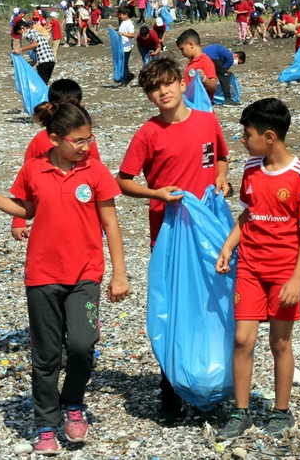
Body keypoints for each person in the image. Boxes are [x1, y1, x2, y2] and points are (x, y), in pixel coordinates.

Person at [0, 102, 129, 455]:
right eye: (78, 140)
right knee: (46, 356)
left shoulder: (96, 171)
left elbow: (111, 224)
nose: (85, 146)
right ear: (54, 139)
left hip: (85, 275)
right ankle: (45, 423)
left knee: (83, 345)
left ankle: (73, 402)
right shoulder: (33, 169)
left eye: (89, 138)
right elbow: (25, 209)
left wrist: (119, 273)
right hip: (42, 276)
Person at [118, 56, 229, 419]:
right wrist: (156, 194)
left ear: (183, 84)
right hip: (168, 236)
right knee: (174, 310)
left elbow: (222, 158)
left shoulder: (207, 121)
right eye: (154, 88)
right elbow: (123, 181)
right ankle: (171, 391)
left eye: (167, 83)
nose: (162, 92)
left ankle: (210, 383)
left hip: (208, 233)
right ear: (148, 96)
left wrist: (221, 178)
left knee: (211, 306)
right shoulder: (148, 133)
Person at [215, 98, 300, 439]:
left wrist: (297, 278)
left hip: (284, 273)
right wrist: (229, 246)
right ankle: (241, 412)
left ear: (270, 136)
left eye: (247, 135)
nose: (243, 141)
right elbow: (248, 214)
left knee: (280, 342)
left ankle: (281, 411)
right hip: (249, 268)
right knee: (242, 339)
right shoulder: (250, 169)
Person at [11, 79, 102, 241]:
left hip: (82, 217)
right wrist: (19, 220)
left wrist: (102, 219)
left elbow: (98, 179)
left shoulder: (86, 141)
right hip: (48, 218)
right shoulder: (41, 140)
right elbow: (26, 184)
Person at [176, 28, 218, 98]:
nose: (182, 53)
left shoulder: (205, 62)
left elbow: (214, 87)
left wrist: (204, 78)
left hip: (200, 103)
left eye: (182, 49)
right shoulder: (192, 62)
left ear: (191, 44)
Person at [17, 17, 56, 84]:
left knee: (42, 84)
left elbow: (34, 44)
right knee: (44, 83)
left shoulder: (29, 33)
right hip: (51, 60)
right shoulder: (36, 32)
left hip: (44, 62)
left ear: (23, 28)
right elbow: (39, 51)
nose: (21, 35)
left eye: (20, 33)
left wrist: (20, 49)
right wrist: (31, 65)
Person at [116, 8, 137, 87]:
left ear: (126, 15)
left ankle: (126, 79)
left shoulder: (130, 24)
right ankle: (128, 76)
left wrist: (123, 34)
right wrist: (115, 28)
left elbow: (132, 35)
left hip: (126, 47)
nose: (120, 16)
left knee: (124, 64)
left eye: (121, 14)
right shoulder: (123, 22)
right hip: (122, 46)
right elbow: (122, 30)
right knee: (122, 63)